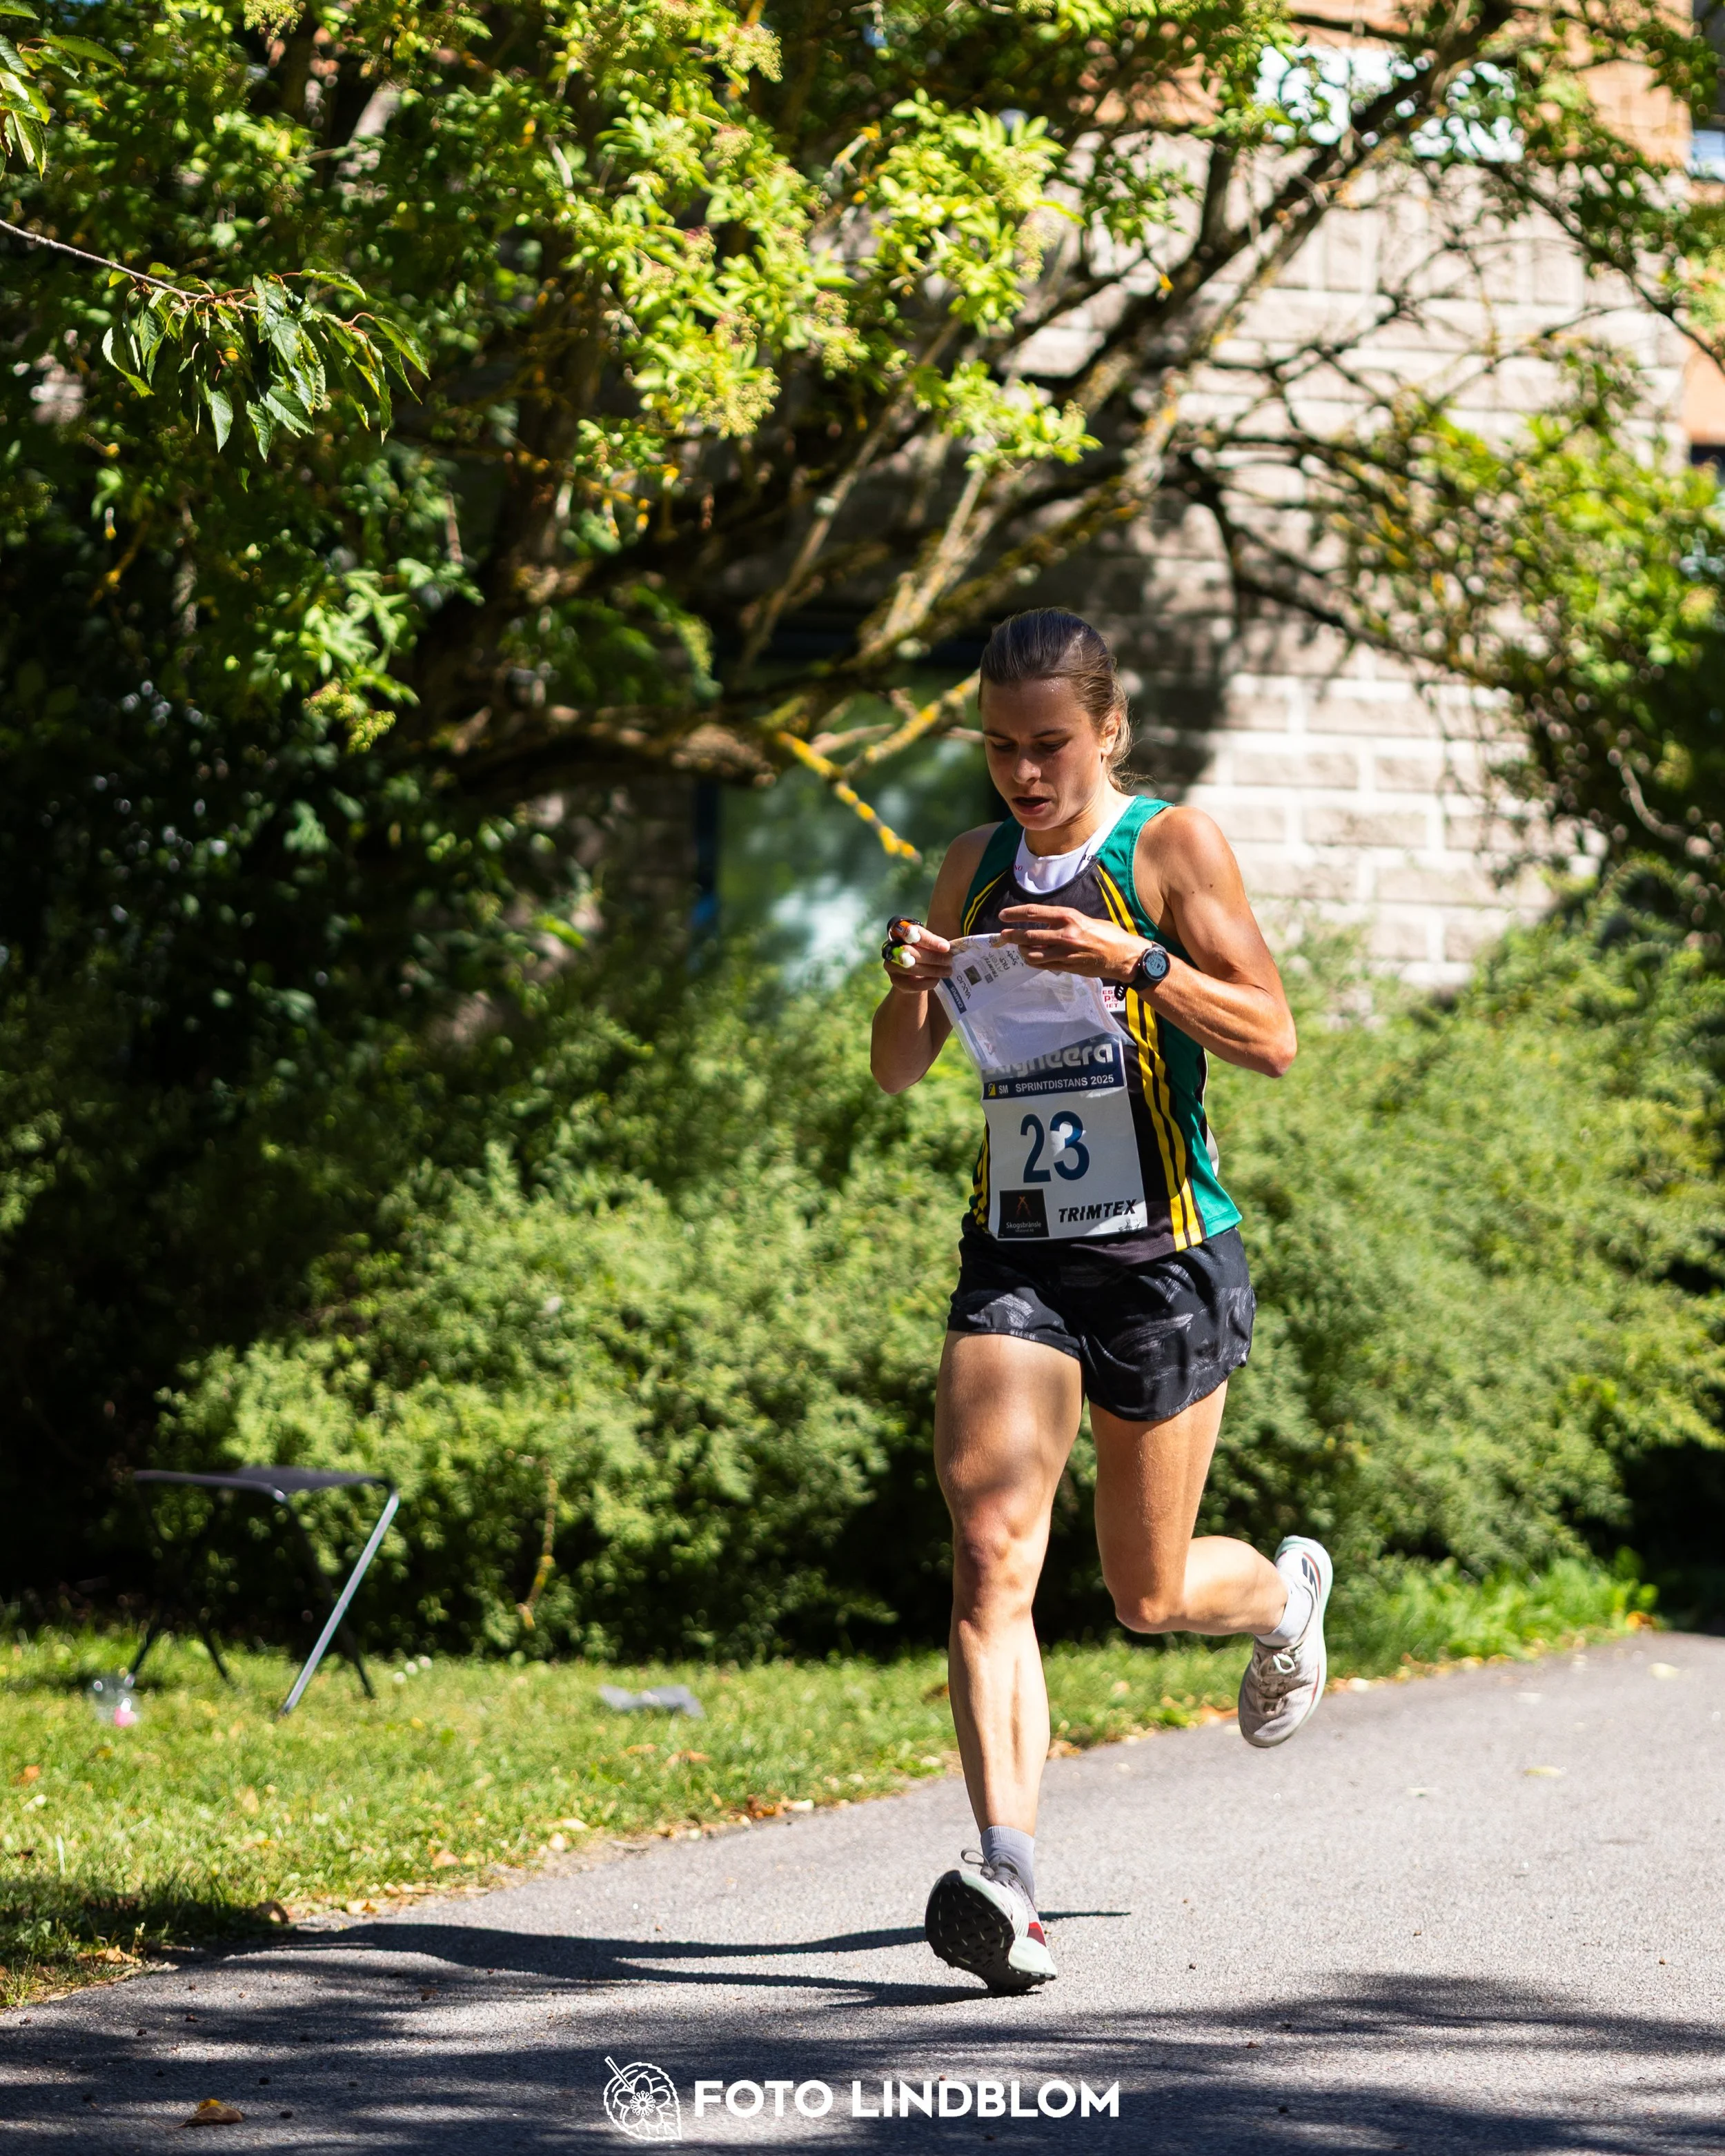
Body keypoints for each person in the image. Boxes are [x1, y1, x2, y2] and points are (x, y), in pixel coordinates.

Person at [871, 609, 1330, 1997]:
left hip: (1160, 1255)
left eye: (1048, 745)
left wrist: (1129, 960)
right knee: (993, 1545)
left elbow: (1272, 1036)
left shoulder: (1168, 848)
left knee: (1145, 1589)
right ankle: (1005, 1877)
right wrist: (911, 983)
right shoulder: (969, 864)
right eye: (999, 747)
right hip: (1015, 1248)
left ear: (1107, 730)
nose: (1022, 773)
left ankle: (1281, 1596)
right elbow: (897, 1070)